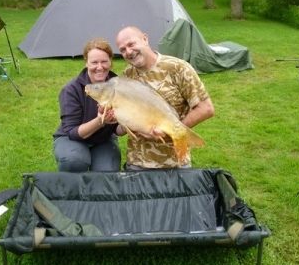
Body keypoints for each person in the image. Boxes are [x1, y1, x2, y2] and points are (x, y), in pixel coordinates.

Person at [116, 26, 215, 170]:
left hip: (174, 165)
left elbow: (206, 108)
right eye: (123, 49)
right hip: (137, 163)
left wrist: (173, 130)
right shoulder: (127, 76)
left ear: (145, 38)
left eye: (131, 44)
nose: (129, 52)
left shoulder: (178, 68)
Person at [53, 38, 124, 172]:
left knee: (108, 173)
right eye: (94, 62)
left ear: (110, 62)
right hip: (71, 139)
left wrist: (127, 126)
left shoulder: (118, 87)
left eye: (104, 62)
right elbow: (73, 133)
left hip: (103, 140)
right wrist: (100, 121)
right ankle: (73, 191)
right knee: (74, 161)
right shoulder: (71, 90)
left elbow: (117, 130)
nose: (99, 67)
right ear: (86, 62)